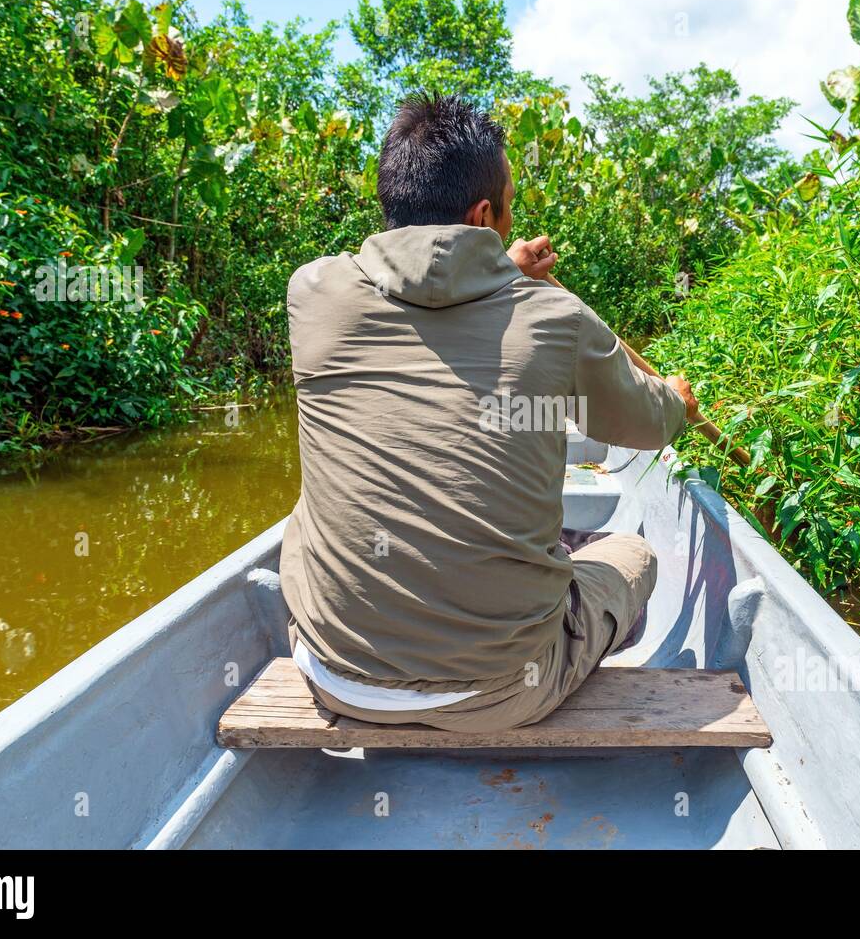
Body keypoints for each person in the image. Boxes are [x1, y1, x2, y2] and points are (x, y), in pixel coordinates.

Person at [280, 93, 699, 731]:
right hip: (503, 690)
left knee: (301, 523)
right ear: (485, 214)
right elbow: (643, 425)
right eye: (507, 206)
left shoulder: (312, 293)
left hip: (334, 673)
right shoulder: (555, 319)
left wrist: (502, 267)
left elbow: (425, 289)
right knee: (635, 559)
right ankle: (570, 604)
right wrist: (678, 400)